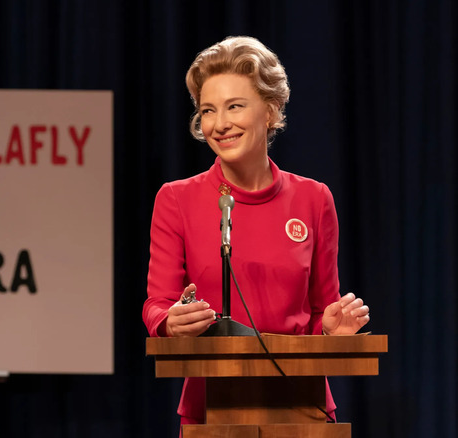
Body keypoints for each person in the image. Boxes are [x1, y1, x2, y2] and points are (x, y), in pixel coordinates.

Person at [141, 36, 370, 429]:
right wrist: (168, 322)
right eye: (208, 110)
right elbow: (157, 305)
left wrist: (333, 329)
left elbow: (318, 316)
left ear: (270, 111)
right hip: (211, 411)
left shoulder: (314, 199)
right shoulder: (175, 199)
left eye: (234, 106)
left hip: (303, 409)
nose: (220, 123)